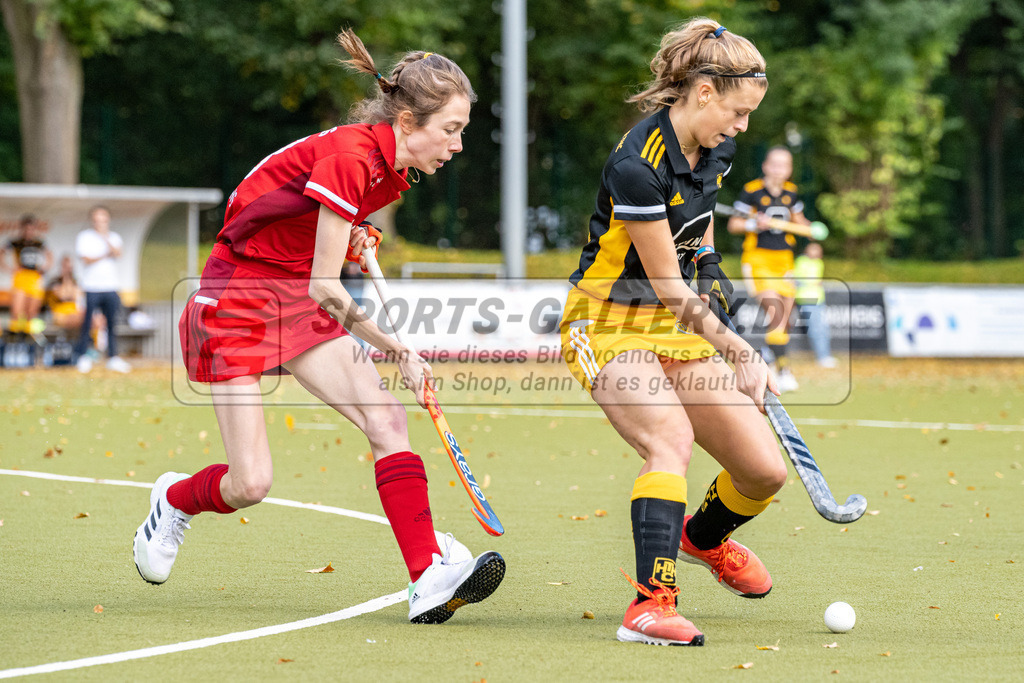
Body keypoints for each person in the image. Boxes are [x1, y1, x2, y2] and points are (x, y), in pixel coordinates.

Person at [132, 28, 505, 625]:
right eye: (451, 129)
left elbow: (303, 213)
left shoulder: (387, 165)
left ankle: (427, 574)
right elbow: (325, 288)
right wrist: (397, 349)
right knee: (250, 483)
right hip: (240, 291)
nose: (458, 145)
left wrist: (355, 231)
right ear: (408, 121)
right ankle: (174, 499)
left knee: (386, 419)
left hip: (292, 288)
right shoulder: (353, 158)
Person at [559, 18, 784, 647]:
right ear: (705, 92)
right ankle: (649, 605)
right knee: (670, 439)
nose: (743, 127)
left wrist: (708, 261)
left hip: (670, 323)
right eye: (738, 112)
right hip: (606, 320)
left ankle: (702, 538)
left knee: (763, 471)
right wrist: (738, 349)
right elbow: (667, 286)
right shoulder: (638, 164)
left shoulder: (715, 148)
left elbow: (698, 218)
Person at [727, 146, 812, 392]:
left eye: (783, 165)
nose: (778, 169)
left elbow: (800, 222)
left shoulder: (791, 192)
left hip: (784, 261)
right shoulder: (752, 191)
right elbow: (734, 224)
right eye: (774, 164)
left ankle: (769, 357)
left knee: (786, 318)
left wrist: (812, 229)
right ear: (765, 166)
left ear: (789, 169)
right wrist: (754, 224)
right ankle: (783, 370)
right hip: (758, 260)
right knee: (775, 312)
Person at [74, 206, 131, 373]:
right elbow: (86, 259)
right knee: (87, 324)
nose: (100, 223)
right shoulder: (85, 237)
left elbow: (118, 253)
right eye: (97, 220)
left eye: (103, 220)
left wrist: (105, 239)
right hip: (91, 287)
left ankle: (113, 357)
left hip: (110, 286)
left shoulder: (114, 237)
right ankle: (83, 356)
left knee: (112, 323)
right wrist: (105, 254)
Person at [1, 214, 53, 337]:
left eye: (31, 229)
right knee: (17, 310)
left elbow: (50, 256)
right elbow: (1, 253)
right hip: (21, 278)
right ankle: (15, 337)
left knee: (32, 311)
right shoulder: (15, 242)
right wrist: (9, 268)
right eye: (26, 229)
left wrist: (45, 268)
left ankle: (29, 337)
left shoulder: (39, 242)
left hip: (34, 278)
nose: (29, 232)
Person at [793, 242, 837, 368]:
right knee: (816, 328)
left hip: (819, 300)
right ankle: (823, 357)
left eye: (817, 250)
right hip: (807, 299)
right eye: (813, 249)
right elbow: (796, 280)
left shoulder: (819, 263)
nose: (815, 252)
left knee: (823, 328)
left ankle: (825, 355)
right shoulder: (801, 261)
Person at [46, 255, 86, 333]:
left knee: (92, 318)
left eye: (69, 266)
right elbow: (62, 296)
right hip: (59, 313)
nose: (68, 269)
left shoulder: (76, 282)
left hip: (74, 312)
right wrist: (66, 279)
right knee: (75, 319)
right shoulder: (55, 281)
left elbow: (77, 295)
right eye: (65, 266)